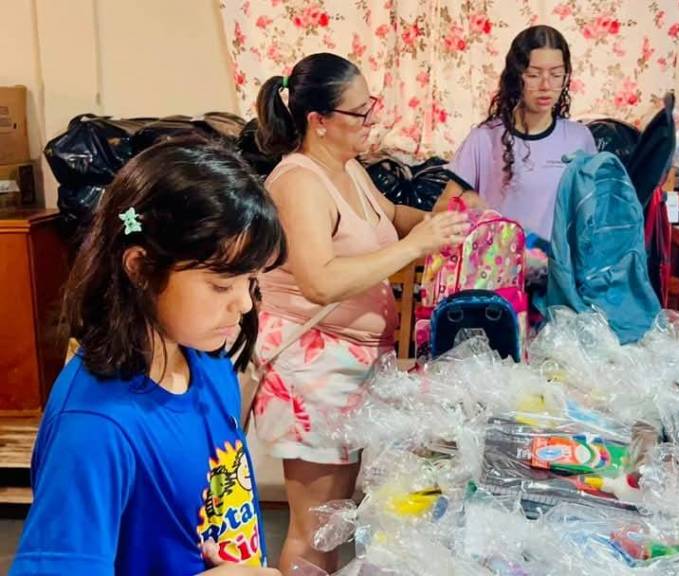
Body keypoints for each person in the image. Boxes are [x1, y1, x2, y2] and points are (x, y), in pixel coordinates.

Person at [11, 140, 286, 576]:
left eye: (250, 281)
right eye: (221, 284)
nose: (244, 303)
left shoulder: (206, 359)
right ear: (140, 268)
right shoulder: (96, 427)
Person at [253, 53, 469, 571]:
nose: (371, 121)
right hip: (313, 375)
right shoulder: (298, 182)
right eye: (359, 112)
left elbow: (390, 216)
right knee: (314, 530)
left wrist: (450, 227)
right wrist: (415, 246)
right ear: (319, 120)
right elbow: (321, 281)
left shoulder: (346, 167)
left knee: (336, 521)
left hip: (351, 370)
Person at [437, 25, 597, 242]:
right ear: (516, 76)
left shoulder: (580, 139)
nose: (546, 85)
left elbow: (592, 216)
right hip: (496, 260)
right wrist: (468, 205)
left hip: (557, 263)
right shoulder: (484, 138)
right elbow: (440, 213)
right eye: (533, 75)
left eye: (556, 74)